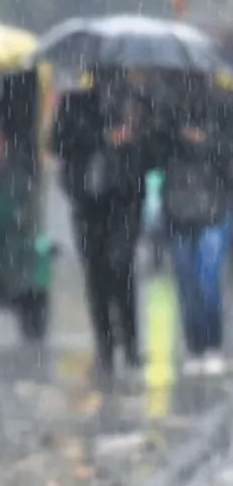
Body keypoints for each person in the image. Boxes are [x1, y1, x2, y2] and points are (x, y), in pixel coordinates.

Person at [50, 69, 159, 382]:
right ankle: (106, 348)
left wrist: (133, 137)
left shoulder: (138, 105)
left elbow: (155, 155)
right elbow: (57, 143)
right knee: (96, 275)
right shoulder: (74, 104)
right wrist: (101, 137)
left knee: (120, 266)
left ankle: (131, 343)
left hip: (125, 201)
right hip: (88, 202)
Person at [161, 82, 232, 376]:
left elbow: (227, 158)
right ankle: (194, 344)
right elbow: (154, 154)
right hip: (178, 208)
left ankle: (212, 344)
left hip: (213, 208)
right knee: (187, 280)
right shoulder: (166, 111)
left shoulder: (224, 108)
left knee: (207, 277)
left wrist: (206, 142)